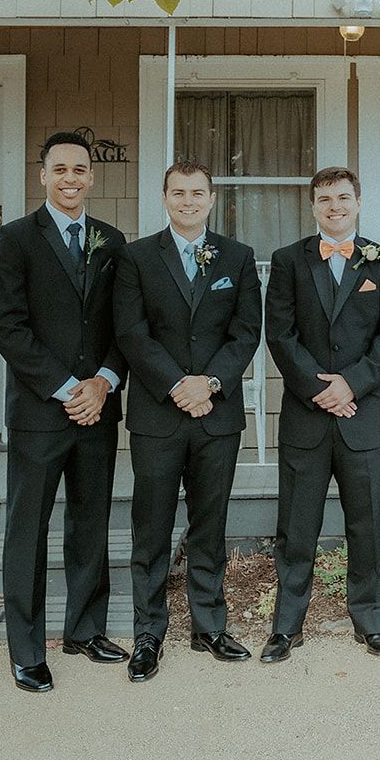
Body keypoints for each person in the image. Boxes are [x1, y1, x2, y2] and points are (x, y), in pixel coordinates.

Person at [0, 130, 128, 693]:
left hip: (98, 408)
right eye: (60, 170)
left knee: (90, 522)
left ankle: (85, 627)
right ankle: (26, 647)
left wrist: (103, 382)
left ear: (92, 178)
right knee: (29, 528)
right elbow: (8, 326)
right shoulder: (16, 239)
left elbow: (127, 324)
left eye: (80, 170)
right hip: (41, 410)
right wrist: (69, 386)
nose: (71, 179)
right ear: (42, 176)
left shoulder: (112, 241)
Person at [113, 161, 262, 681]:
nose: (189, 201)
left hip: (216, 416)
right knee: (150, 529)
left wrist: (210, 384)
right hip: (158, 414)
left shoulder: (237, 257)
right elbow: (131, 333)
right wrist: (178, 384)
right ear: (165, 197)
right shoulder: (135, 258)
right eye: (178, 192)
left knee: (209, 524)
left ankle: (209, 626)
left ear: (212, 198)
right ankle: (148, 633)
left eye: (197, 193)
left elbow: (245, 332)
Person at [260, 167, 380, 662]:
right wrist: (321, 390)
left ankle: (371, 621)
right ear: (313, 206)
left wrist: (353, 385)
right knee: (297, 526)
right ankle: (287, 626)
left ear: (359, 203)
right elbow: (280, 335)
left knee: (366, 523)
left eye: (343, 198)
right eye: (325, 199)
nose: (335, 206)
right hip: (307, 416)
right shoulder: (288, 261)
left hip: (363, 417)